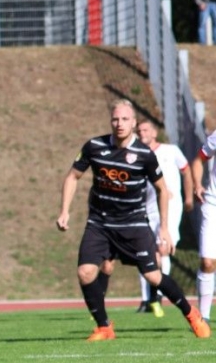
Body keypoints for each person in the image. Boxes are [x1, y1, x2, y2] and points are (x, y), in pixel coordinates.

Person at [56, 98, 209, 341]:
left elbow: (163, 190)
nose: (120, 123)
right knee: (85, 272)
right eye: (115, 119)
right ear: (111, 121)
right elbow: (72, 177)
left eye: (125, 119)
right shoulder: (94, 147)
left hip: (133, 224)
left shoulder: (144, 154)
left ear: (133, 122)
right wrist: (65, 211)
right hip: (100, 223)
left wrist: (165, 228)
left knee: (153, 276)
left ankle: (192, 314)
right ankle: (104, 327)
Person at [134, 119, 192, 316]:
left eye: (145, 130)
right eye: (139, 130)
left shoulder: (171, 150)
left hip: (171, 207)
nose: (142, 133)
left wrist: (189, 196)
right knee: (145, 252)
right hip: (147, 208)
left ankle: (158, 296)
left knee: (163, 248)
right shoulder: (136, 154)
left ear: (154, 133)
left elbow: (186, 170)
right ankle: (146, 299)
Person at [190, 124, 216, 324]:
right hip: (213, 204)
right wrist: (198, 184)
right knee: (208, 262)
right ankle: (203, 318)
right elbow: (199, 160)